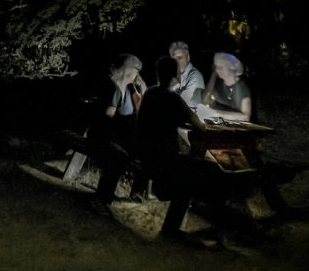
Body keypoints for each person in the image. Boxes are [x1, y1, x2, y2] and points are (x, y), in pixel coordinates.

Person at [137, 55, 220, 249]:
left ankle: (173, 226)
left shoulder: (149, 94)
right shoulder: (173, 98)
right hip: (164, 161)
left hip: (146, 156)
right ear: (175, 75)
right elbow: (199, 126)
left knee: (192, 168)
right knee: (210, 170)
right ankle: (207, 225)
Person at [89, 53, 146, 207]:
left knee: (134, 153)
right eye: (136, 70)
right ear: (128, 70)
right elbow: (107, 117)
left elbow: (141, 108)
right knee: (119, 156)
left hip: (115, 138)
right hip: (102, 137)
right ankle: (100, 201)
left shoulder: (127, 89)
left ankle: (106, 196)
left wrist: (140, 88)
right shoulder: (113, 87)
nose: (137, 74)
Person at [199, 52, 252, 122]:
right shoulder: (219, 85)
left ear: (231, 68)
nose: (217, 70)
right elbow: (204, 101)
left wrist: (215, 113)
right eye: (216, 67)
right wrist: (213, 75)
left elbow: (245, 117)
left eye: (220, 67)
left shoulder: (241, 87)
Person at [167, 40, 205, 107]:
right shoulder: (173, 75)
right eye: (173, 59)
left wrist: (172, 88)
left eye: (180, 58)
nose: (176, 62)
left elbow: (184, 103)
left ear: (188, 57)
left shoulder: (195, 76)